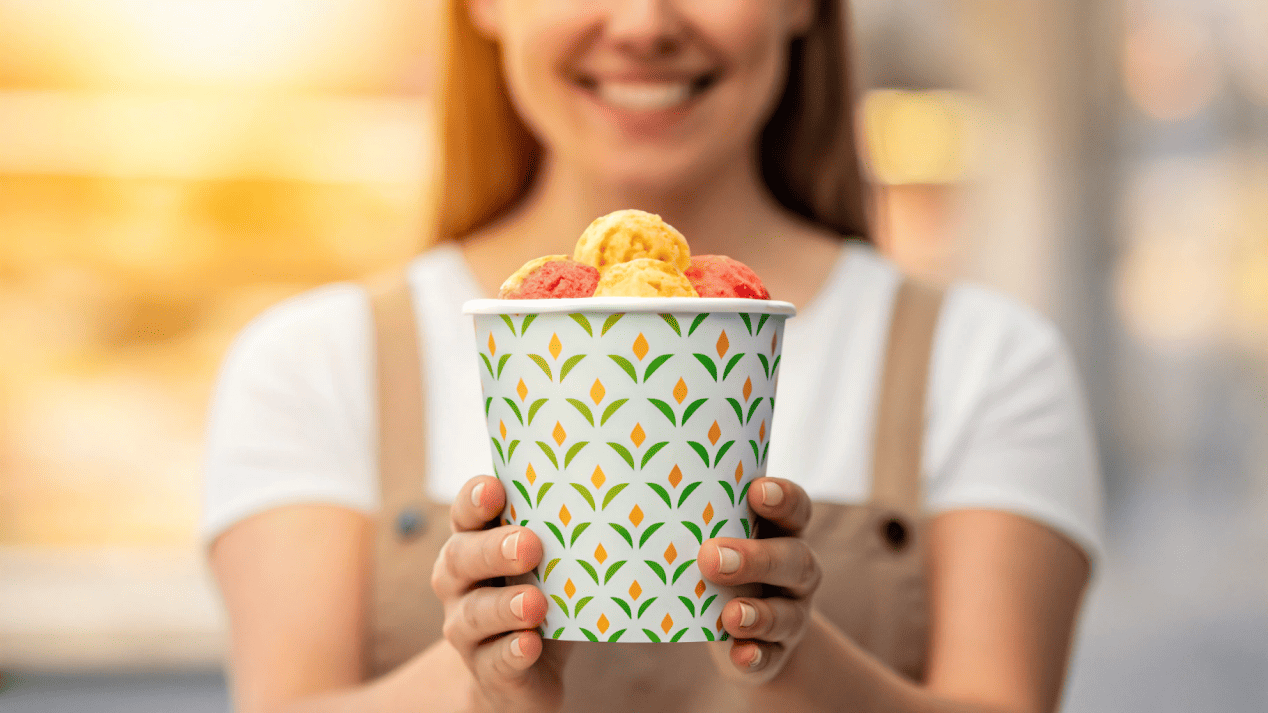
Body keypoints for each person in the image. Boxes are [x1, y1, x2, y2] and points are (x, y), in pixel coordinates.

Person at [203, 0, 1103, 711]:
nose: (643, 23)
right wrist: (478, 681)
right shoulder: (310, 363)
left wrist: (790, 656)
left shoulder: (985, 362)